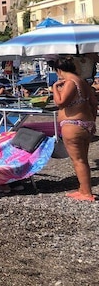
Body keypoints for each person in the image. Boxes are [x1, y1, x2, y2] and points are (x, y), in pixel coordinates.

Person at [49, 56, 98, 202]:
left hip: (73, 124)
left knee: (78, 160)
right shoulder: (82, 82)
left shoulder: (70, 82)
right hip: (85, 123)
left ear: (59, 70)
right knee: (82, 159)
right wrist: (92, 120)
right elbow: (94, 103)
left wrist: (55, 88)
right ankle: (83, 189)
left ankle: (86, 193)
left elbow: (61, 102)